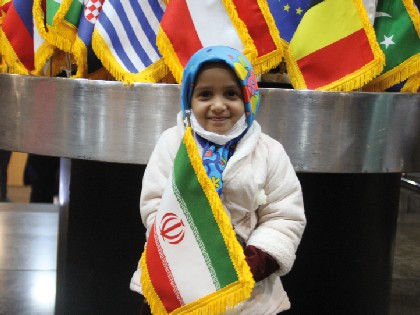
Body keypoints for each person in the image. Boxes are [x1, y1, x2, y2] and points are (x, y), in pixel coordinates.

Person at [130, 46, 306, 314]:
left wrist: (255, 261)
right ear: (189, 99)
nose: (218, 104)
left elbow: (285, 215)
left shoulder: (269, 151)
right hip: (175, 274)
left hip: (248, 289)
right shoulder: (172, 143)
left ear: (248, 98)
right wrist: (187, 249)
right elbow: (155, 203)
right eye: (205, 94)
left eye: (231, 94)